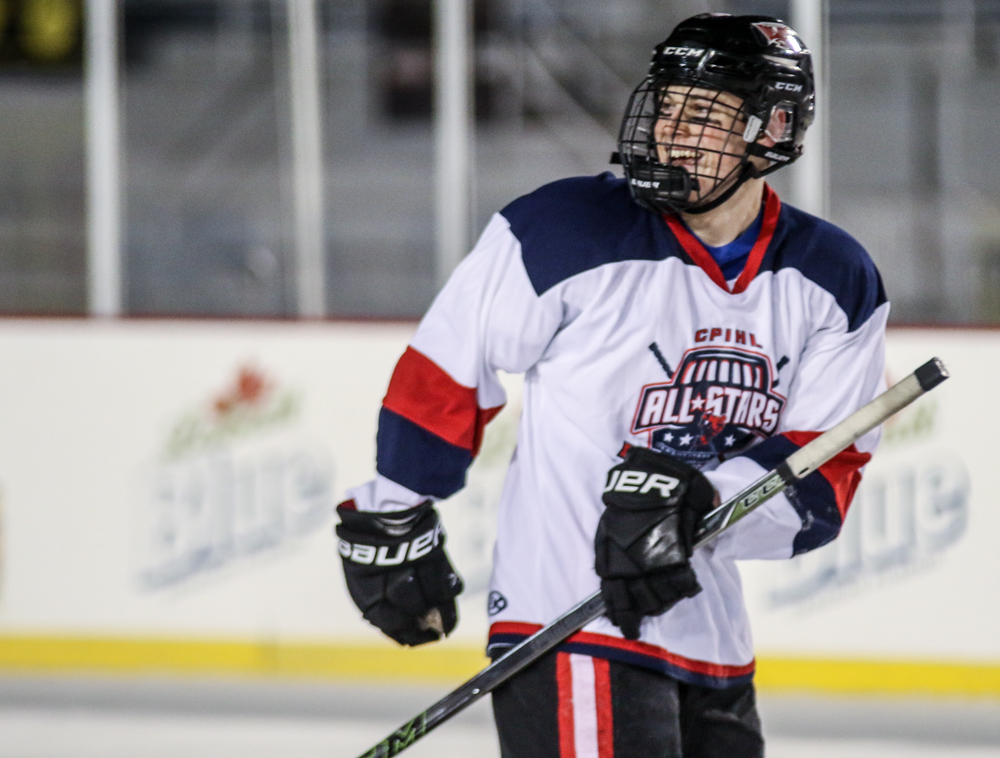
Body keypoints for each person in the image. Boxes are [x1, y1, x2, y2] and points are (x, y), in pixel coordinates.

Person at [334, 13, 888, 758]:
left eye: (702, 114)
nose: (669, 130)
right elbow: (447, 369)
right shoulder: (565, 228)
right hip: (568, 622)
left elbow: (825, 478)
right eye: (666, 106)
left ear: (773, 128)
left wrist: (702, 500)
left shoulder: (833, 279)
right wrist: (394, 509)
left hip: (712, 644)